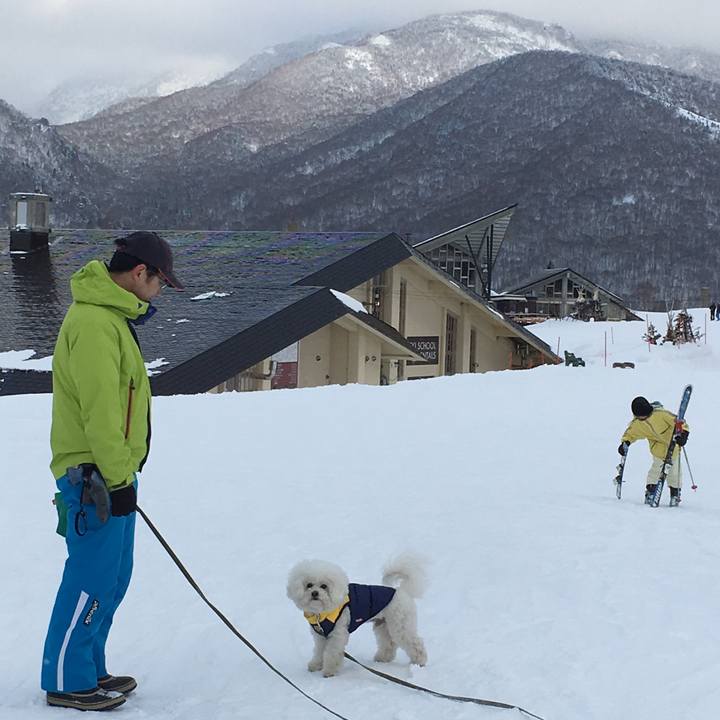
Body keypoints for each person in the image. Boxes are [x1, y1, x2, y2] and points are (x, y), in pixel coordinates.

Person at [41, 232, 183, 711]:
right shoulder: (95, 324)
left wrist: (124, 475)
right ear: (140, 273)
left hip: (112, 472)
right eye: (161, 281)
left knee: (113, 578)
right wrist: (118, 479)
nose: (161, 291)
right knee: (90, 578)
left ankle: (88, 666)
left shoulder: (111, 318)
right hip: (93, 477)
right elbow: (101, 414)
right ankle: (66, 679)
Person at [618, 396, 689, 507]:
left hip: (673, 447)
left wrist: (683, 434)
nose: (643, 418)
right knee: (656, 470)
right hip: (658, 451)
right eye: (640, 417)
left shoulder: (662, 415)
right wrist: (625, 443)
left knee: (674, 473)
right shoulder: (638, 423)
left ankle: (675, 493)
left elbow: (681, 423)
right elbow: (630, 433)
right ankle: (651, 491)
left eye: (644, 416)